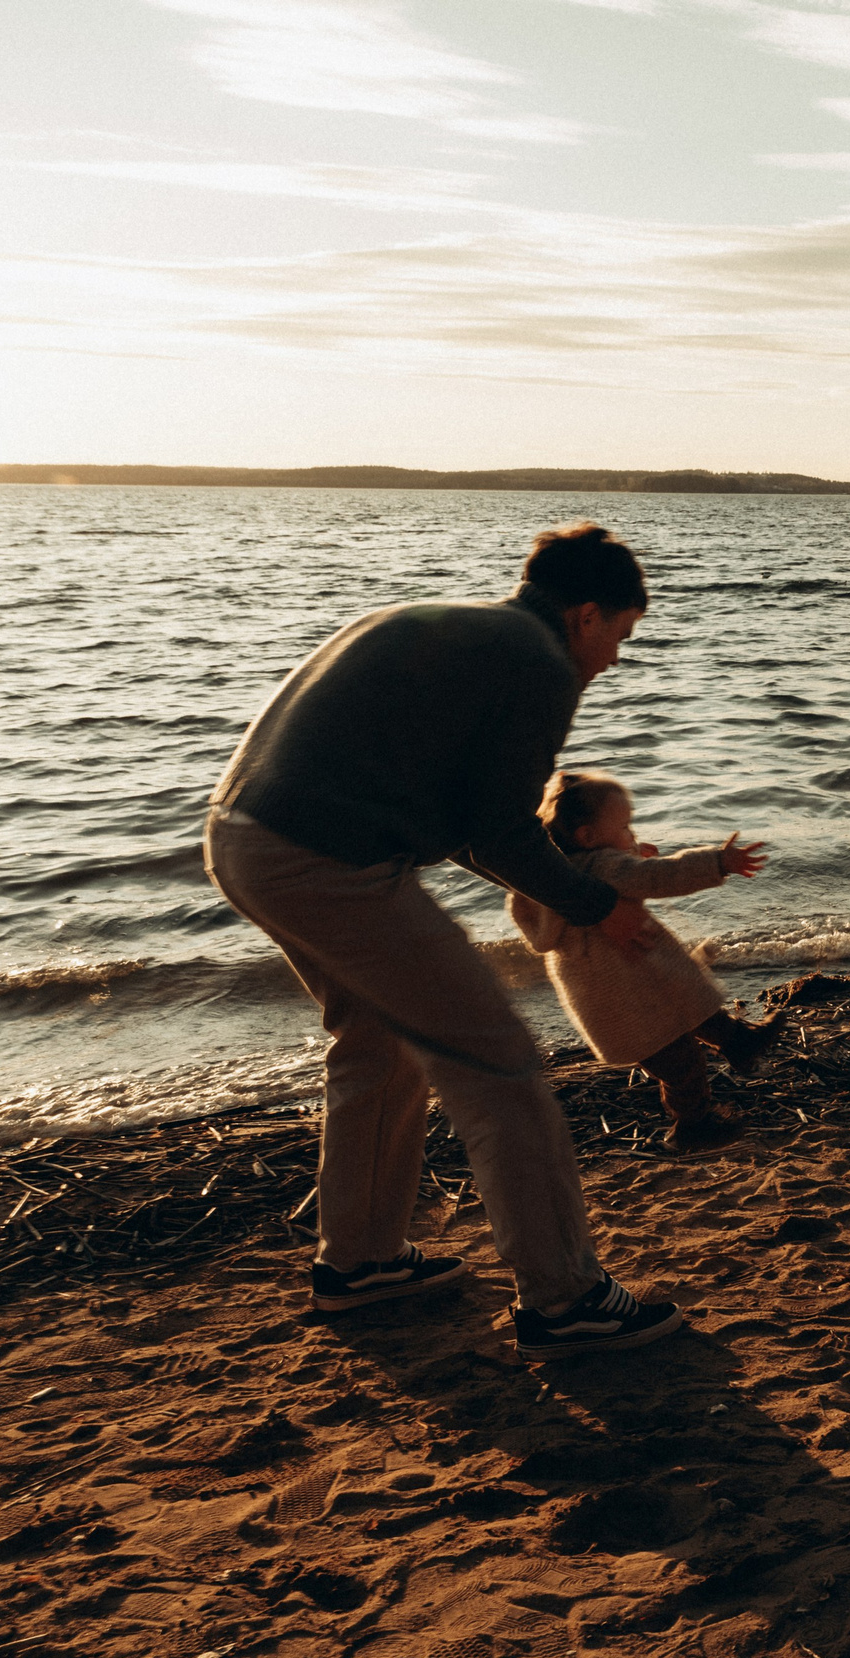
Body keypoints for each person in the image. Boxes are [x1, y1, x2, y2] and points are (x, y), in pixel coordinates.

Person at [204, 521, 685, 1360]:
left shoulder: (454, 625)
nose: (616, 658)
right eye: (622, 633)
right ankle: (564, 1297)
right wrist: (592, 903)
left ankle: (359, 1263)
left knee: (379, 1045)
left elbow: (470, 824)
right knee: (498, 1061)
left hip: (241, 840)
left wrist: (572, 896)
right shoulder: (539, 663)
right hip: (327, 861)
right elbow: (499, 826)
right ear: (586, 615)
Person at [509, 770, 783, 1150]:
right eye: (625, 826)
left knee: (683, 1015)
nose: (632, 835)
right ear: (587, 837)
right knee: (683, 1061)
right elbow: (659, 877)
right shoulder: (605, 866)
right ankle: (692, 1126)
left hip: (612, 1002)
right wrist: (717, 862)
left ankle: (739, 1041)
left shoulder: (548, 885)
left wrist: (632, 855)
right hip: (639, 983)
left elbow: (625, 871)